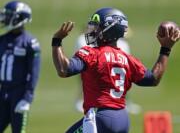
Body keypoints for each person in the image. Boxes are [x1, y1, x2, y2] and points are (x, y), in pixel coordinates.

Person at [51, 7, 179, 133]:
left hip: (99, 117)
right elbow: (153, 79)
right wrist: (165, 49)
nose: (92, 31)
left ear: (108, 30)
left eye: (96, 27)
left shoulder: (91, 54)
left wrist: (57, 41)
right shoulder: (127, 59)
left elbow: (63, 69)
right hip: (122, 118)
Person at [74, 32, 142, 114]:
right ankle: (80, 101)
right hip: (118, 111)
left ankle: (127, 103)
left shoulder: (121, 45)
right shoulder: (122, 45)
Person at [0, 1, 41, 133]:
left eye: (8, 15)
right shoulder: (2, 40)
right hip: (3, 92)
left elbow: (34, 72)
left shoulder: (29, 42)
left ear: (18, 18)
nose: (4, 18)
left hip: (19, 94)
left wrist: (27, 98)